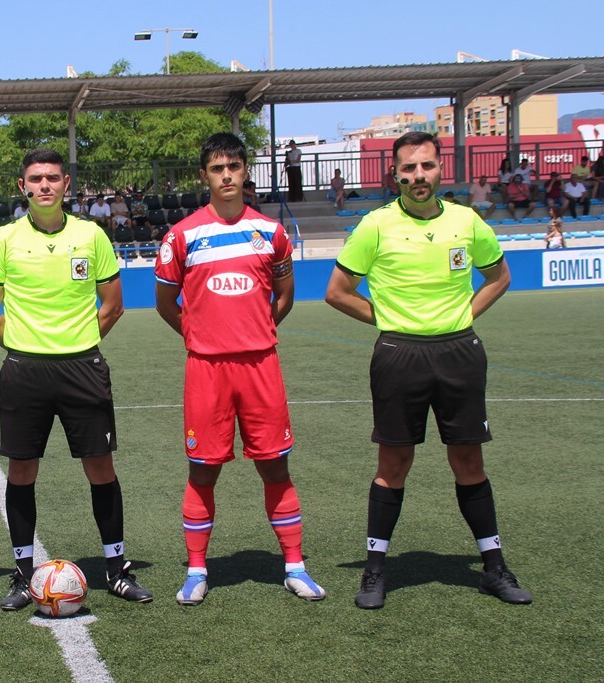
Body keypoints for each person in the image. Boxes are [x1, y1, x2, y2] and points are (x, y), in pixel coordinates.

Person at [325, 131, 531, 610]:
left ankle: (494, 568)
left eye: (427, 166)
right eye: (409, 168)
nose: (419, 176)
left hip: (460, 353)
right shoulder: (375, 226)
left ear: (441, 169)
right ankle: (375, 572)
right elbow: (337, 292)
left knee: (469, 461)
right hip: (399, 354)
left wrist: (463, 316)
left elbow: (499, 277)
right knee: (393, 465)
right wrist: (389, 319)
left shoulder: (467, 221)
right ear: (394, 175)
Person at [0, 148, 153, 610]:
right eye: (36, 179)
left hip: (82, 368)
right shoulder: (4, 240)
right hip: (24, 372)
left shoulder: (91, 236)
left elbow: (113, 305)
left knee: (100, 467)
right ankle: (22, 575)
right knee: (22, 471)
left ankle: (116, 569)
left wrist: (77, 344)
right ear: (23, 186)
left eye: (53, 177)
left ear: (66, 184)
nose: (45, 186)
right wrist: (29, 347)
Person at [155, 132, 325, 607]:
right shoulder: (182, 235)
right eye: (217, 168)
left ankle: (295, 566)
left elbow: (284, 296)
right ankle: (196, 570)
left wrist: (256, 331)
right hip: (207, 370)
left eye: (233, 166)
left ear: (245, 171)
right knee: (203, 471)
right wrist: (199, 336)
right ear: (204, 176)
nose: (226, 176)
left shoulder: (271, 232)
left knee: (275, 466)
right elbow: (166, 303)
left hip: (260, 366)